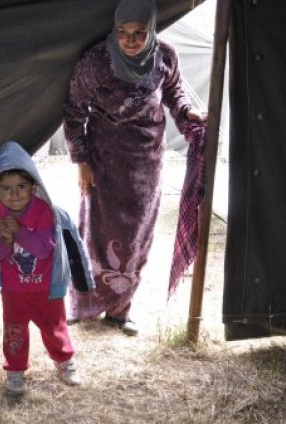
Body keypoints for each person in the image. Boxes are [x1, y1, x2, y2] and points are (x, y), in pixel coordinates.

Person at [62, 0, 207, 336]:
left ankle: (119, 311)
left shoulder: (165, 56)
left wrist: (187, 113)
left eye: (139, 33)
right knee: (95, 233)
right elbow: (73, 113)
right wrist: (82, 162)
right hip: (103, 158)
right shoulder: (96, 61)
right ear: (115, 29)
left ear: (151, 29)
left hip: (146, 161)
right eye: (124, 33)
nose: (130, 40)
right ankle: (83, 305)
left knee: (137, 235)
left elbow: (174, 93)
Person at [0, 141, 93, 396]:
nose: (14, 194)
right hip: (14, 290)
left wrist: (19, 232)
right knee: (14, 330)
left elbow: (43, 248)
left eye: (21, 186)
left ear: (33, 186)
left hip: (45, 288)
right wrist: (6, 240)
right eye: (6, 188)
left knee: (55, 327)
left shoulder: (44, 213)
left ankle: (64, 361)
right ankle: (15, 370)